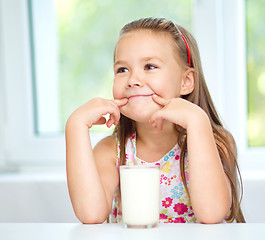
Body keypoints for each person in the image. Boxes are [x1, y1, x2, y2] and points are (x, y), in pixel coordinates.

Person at [65, 17, 245, 224]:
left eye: (149, 66)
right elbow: (91, 214)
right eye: (122, 70)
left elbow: (212, 213)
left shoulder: (217, 143)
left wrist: (197, 121)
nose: (133, 80)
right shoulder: (110, 152)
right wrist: (75, 125)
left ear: (186, 82)